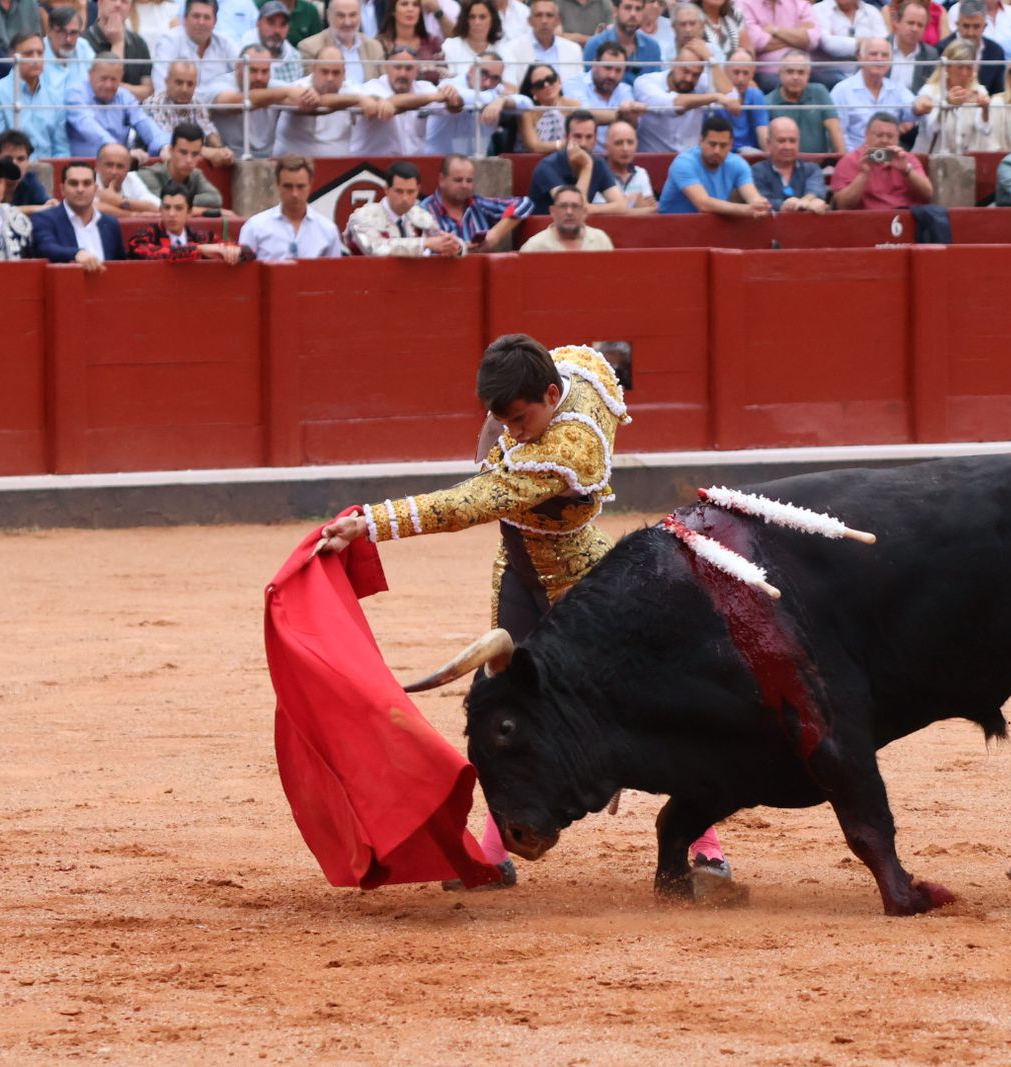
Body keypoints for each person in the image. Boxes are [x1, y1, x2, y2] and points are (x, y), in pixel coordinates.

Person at [316, 334, 744, 890]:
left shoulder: (567, 452)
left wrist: (371, 522)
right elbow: (568, 361)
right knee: (506, 712)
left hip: (583, 587)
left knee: (646, 708)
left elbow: (470, 502)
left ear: (549, 394)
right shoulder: (574, 370)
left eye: (519, 419)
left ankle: (704, 848)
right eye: (503, 420)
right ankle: (495, 855)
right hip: (519, 574)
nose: (512, 432)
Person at [344, 157, 464, 256]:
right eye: (399, 191)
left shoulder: (421, 216)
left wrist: (455, 246)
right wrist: (424, 243)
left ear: (418, 190)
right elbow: (375, 248)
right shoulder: (363, 216)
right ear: (386, 190)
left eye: (410, 192)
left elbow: (443, 239)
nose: (405, 198)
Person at [657, 113, 769, 215]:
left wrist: (758, 204)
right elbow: (703, 204)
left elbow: (751, 195)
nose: (717, 150)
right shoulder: (684, 163)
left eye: (723, 145)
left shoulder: (738, 164)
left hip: (712, 229)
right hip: (672, 230)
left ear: (731, 145)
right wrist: (747, 209)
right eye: (712, 144)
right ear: (701, 141)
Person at [633, 39, 734, 151]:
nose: (689, 78)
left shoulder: (702, 82)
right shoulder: (646, 82)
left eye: (696, 74)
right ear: (674, 63)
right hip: (652, 159)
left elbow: (732, 99)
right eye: (685, 71)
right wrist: (715, 97)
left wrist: (711, 60)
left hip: (689, 161)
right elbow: (671, 105)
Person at [238, 154, 342, 260]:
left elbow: (335, 273)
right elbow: (244, 272)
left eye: (300, 186)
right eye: (288, 186)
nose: (294, 194)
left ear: (310, 185)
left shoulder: (328, 230)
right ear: (278, 185)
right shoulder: (255, 227)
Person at [420, 151, 532, 249]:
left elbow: (525, 203)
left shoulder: (478, 204)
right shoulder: (423, 211)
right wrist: (461, 250)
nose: (464, 185)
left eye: (469, 181)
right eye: (458, 180)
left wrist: (496, 233)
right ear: (441, 180)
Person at [202, 43, 295, 158]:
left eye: (265, 71)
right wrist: (283, 93)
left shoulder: (276, 87)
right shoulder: (220, 84)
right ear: (238, 68)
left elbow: (305, 100)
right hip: (225, 158)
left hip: (266, 159)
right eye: (253, 70)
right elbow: (233, 104)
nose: (259, 77)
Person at [67, 56, 173, 157]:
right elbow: (88, 125)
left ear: (121, 78)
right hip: (84, 168)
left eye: (114, 79)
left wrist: (164, 146)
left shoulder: (124, 96)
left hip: (118, 165)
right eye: (103, 79)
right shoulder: (76, 94)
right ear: (90, 75)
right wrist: (120, 151)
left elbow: (142, 120)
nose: (108, 85)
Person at [0, 31, 67, 157]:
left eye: (40, 53)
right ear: (12, 56)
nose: (35, 59)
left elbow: (61, 149)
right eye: (28, 53)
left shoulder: (54, 95)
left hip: (48, 171)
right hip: (11, 170)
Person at [526, 108, 626, 213]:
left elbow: (621, 205)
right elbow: (572, 208)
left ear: (595, 139)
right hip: (546, 227)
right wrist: (586, 166)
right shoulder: (547, 166)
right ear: (567, 137)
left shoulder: (598, 164)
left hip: (578, 228)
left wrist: (589, 208)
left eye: (589, 137)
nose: (583, 143)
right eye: (577, 136)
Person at [830, 108, 933, 208]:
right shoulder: (850, 161)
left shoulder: (907, 159)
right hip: (866, 221)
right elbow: (842, 205)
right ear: (866, 135)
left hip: (906, 219)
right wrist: (863, 174)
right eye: (879, 135)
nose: (884, 140)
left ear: (898, 138)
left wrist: (907, 171)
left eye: (890, 136)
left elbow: (928, 194)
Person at [271, 44, 363, 155]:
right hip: (293, 166)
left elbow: (373, 102)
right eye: (324, 72)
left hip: (340, 168)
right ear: (313, 69)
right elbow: (308, 105)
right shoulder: (297, 88)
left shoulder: (351, 91)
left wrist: (365, 101)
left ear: (344, 73)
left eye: (336, 73)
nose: (330, 78)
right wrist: (356, 100)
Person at [32, 160, 126, 269]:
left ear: (95, 189)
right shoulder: (45, 219)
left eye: (86, 183)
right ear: (62, 189)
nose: (80, 189)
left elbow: (120, 263)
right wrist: (76, 253)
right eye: (73, 183)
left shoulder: (110, 223)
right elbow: (45, 248)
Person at [427, 50, 523, 154]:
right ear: (471, 70)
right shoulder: (448, 85)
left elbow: (526, 102)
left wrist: (502, 101)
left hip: (476, 164)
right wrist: (499, 99)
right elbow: (465, 96)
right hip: (438, 162)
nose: (487, 83)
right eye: (483, 73)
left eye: (495, 78)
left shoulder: (496, 92)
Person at [142, 57, 233, 163]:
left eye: (190, 84)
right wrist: (208, 152)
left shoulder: (196, 103)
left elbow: (209, 131)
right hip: (155, 166)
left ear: (196, 85)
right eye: (179, 83)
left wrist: (221, 150)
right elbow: (172, 145)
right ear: (167, 82)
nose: (185, 89)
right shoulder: (154, 104)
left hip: (187, 163)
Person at [128, 180, 246, 259]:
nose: (172, 214)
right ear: (160, 210)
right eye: (167, 207)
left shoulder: (201, 237)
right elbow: (142, 250)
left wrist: (233, 251)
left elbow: (247, 251)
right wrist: (199, 249)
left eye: (178, 208)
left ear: (189, 213)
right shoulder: (146, 235)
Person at [832, 35, 913, 149]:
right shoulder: (842, 90)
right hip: (855, 159)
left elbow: (916, 108)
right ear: (860, 57)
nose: (879, 59)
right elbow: (839, 135)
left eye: (884, 55)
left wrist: (912, 118)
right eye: (873, 54)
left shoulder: (897, 89)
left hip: (890, 158)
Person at [913, 38, 992, 153]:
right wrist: (947, 104)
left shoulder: (979, 91)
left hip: (964, 162)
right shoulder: (930, 91)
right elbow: (933, 129)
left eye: (969, 68)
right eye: (960, 67)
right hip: (931, 159)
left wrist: (985, 109)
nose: (964, 73)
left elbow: (985, 131)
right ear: (947, 67)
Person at [570, 42, 645, 154]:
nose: (612, 75)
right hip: (581, 155)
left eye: (618, 70)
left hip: (616, 158)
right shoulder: (574, 83)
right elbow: (583, 116)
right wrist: (622, 115)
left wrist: (630, 117)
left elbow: (631, 126)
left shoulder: (625, 90)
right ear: (595, 64)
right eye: (607, 68)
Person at [152, 0, 238, 94]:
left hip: (216, 106)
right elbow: (161, 85)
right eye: (196, 16)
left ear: (215, 21)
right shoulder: (169, 41)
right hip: (176, 105)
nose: (201, 22)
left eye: (207, 17)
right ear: (184, 18)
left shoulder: (225, 43)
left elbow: (245, 72)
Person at [766, 51, 843, 152]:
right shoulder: (768, 102)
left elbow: (835, 131)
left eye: (801, 72)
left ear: (808, 74)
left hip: (821, 165)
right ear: (780, 73)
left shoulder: (819, 92)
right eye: (790, 71)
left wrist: (841, 163)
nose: (795, 77)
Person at [299, 0, 386, 86]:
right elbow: (312, 91)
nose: (347, 22)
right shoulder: (310, 47)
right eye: (340, 15)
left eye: (353, 15)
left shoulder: (375, 47)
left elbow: (383, 86)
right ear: (328, 15)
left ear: (360, 15)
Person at [750, 113, 827, 211]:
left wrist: (802, 202)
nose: (788, 147)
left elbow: (816, 192)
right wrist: (792, 205)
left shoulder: (812, 169)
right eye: (781, 141)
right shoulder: (756, 171)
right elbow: (762, 201)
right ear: (769, 143)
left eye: (792, 141)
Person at [138, 119, 224, 206]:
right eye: (183, 153)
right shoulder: (149, 174)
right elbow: (161, 206)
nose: (189, 160)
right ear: (171, 150)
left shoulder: (196, 175)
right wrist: (201, 210)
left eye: (195, 154)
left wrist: (183, 204)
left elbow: (215, 198)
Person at [499, 0, 581, 87]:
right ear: (530, 21)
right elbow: (510, 88)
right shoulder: (511, 49)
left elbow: (578, 87)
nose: (544, 21)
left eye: (549, 15)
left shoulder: (574, 50)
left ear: (558, 21)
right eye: (538, 15)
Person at [812, 0, 888, 91]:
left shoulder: (872, 11)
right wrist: (865, 43)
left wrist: (839, 39)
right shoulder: (818, 9)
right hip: (828, 74)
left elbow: (883, 44)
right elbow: (829, 45)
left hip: (866, 73)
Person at [739, 0, 817, 89]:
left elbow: (812, 39)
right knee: (774, 84)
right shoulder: (745, 3)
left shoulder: (799, 3)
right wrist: (798, 37)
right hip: (767, 72)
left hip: (803, 70)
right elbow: (756, 41)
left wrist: (775, 30)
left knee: (826, 82)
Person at [580, 0, 660, 85]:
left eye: (638, 9)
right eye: (628, 7)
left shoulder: (652, 47)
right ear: (615, 11)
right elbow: (588, 86)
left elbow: (656, 85)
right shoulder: (595, 44)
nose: (633, 14)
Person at [88, 0, 154, 99]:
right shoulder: (83, 42)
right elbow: (94, 90)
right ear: (100, 2)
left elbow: (148, 92)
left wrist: (117, 87)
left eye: (124, 1)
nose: (118, 4)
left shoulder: (139, 43)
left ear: (131, 8)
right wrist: (117, 44)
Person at [520, 181, 614, 249]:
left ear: (584, 212)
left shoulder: (600, 239)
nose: (569, 212)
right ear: (553, 211)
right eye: (563, 206)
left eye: (575, 206)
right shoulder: (535, 246)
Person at [938, 0, 1003, 97]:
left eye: (976, 26)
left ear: (984, 26)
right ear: (957, 25)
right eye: (966, 26)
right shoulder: (941, 49)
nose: (970, 33)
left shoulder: (995, 52)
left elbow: (998, 93)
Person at [709, 47, 768, 151]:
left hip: (748, 154)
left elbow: (763, 131)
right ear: (725, 70)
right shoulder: (712, 93)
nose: (741, 79)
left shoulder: (756, 95)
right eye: (736, 72)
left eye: (746, 73)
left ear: (753, 73)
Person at [515, 60, 583, 151]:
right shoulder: (527, 111)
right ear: (533, 92)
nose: (546, 85)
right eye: (539, 84)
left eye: (550, 79)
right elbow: (534, 146)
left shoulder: (574, 105)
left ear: (559, 80)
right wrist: (564, 144)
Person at [377, 0, 448, 83]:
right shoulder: (380, 44)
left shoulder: (432, 42)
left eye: (415, 5)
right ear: (393, 11)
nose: (410, 9)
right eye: (404, 4)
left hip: (430, 94)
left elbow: (444, 78)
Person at [0, 128, 53, 212]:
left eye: (21, 159)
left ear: (28, 161)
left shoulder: (30, 180)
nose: (14, 164)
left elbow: (48, 208)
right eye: (8, 158)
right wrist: (35, 209)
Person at [240, 0, 304, 81]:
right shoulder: (241, 53)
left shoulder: (295, 58)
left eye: (283, 24)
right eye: (271, 23)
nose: (277, 30)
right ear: (258, 24)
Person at [93, 140, 159, 214]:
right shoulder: (88, 179)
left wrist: (120, 201)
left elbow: (157, 207)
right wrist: (133, 215)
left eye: (120, 166)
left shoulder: (131, 178)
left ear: (128, 168)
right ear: (97, 165)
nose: (114, 172)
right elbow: (91, 209)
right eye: (109, 165)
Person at [887, 0, 938, 96]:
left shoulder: (930, 55)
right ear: (896, 22)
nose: (915, 29)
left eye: (920, 25)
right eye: (910, 23)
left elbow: (933, 91)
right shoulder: (880, 48)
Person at [42, 5, 96, 95]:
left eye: (73, 33)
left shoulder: (83, 46)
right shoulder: (36, 51)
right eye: (61, 32)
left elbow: (100, 76)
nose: (68, 39)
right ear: (49, 31)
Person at [602, 117, 655, 208]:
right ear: (607, 147)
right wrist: (631, 201)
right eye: (618, 143)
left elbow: (649, 210)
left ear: (636, 145)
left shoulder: (641, 173)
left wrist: (617, 206)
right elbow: (601, 214)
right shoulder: (598, 175)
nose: (625, 148)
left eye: (630, 142)